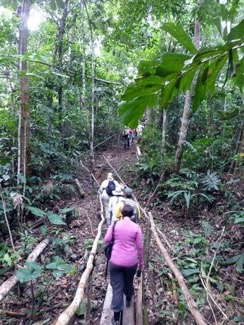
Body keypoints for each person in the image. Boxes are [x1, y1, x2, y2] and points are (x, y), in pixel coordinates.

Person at [104, 205, 144, 325]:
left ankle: (116, 318)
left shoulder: (115, 224)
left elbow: (107, 239)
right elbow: (140, 247)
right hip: (131, 262)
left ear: (121, 213)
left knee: (117, 287)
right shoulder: (136, 227)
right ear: (132, 215)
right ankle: (128, 298)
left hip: (115, 261)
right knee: (129, 281)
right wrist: (141, 264)